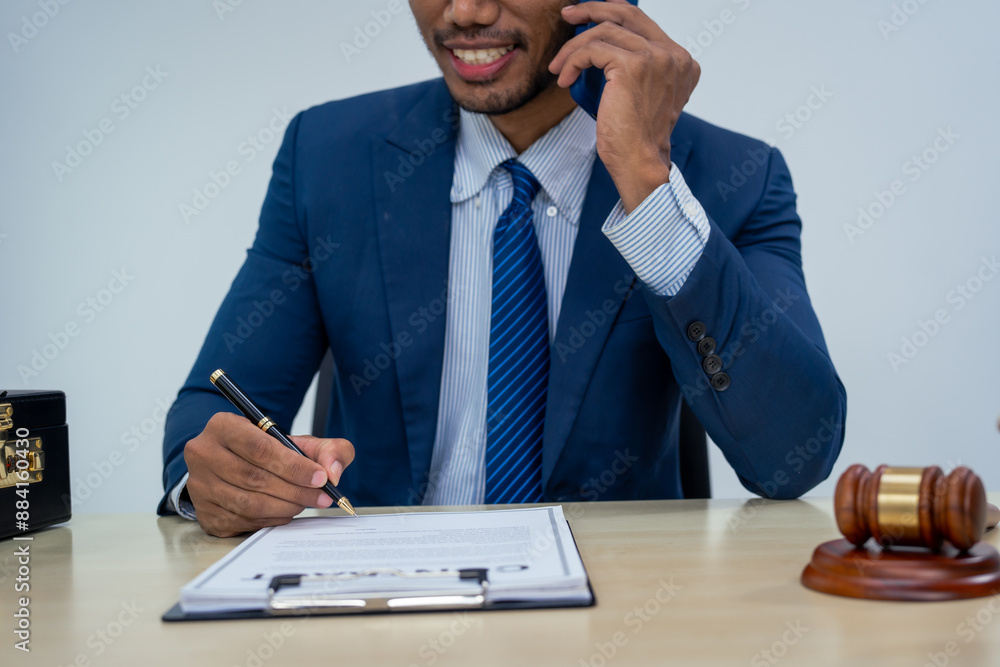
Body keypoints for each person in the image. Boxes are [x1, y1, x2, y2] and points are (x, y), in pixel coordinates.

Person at [159, 0, 846, 537]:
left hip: (618, 614)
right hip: (384, 605)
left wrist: (645, 177)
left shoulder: (734, 177)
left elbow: (792, 457)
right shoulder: (328, 155)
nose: (465, 12)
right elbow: (211, 410)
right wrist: (216, 478)